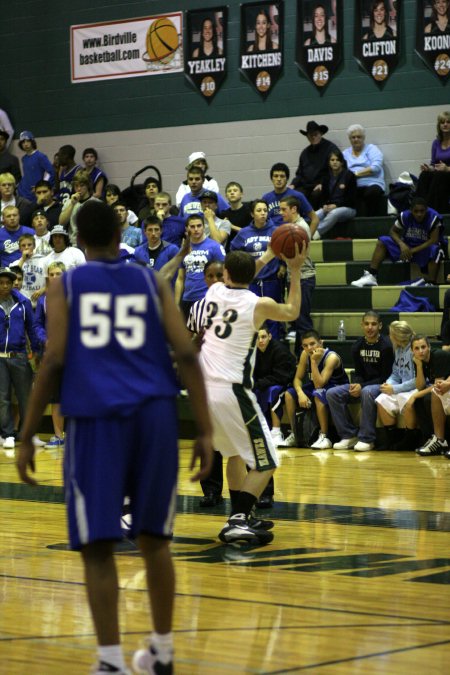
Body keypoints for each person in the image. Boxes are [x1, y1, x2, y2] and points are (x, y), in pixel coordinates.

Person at [16, 199, 213, 675]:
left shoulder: (66, 284)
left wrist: (26, 434)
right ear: (119, 234)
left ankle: (110, 662)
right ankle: (162, 652)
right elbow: (186, 353)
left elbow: (55, 358)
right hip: (155, 417)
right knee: (155, 541)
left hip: (97, 418)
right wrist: (205, 431)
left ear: (79, 240)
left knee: (98, 546)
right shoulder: (150, 280)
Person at [199, 243, 306, 544]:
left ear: (226, 273)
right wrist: (294, 270)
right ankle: (239, 520)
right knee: (268, 460)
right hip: (232, 391)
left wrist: (270, 252)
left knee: (233, 453)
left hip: (204, 389)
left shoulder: (214, 291)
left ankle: (241, 515)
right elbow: (293, 310)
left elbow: (243, 272)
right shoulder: (257, 304)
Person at [327, 310, 394, 452]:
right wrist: (355, 383)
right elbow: (358, 372)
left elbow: (385, 376)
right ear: (362, 325)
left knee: (367, 391)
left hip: (381, 384)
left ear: (380, 326)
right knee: (332, 393)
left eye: (374, 324)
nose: (370, 327)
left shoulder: (386, 346)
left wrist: (361, 386)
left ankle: (367, 439)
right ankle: (349, 435)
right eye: (367, 324)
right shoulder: (357, 345)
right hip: (363, 384)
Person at [351, 198, 445, 287]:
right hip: (408, 246)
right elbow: (393, 231)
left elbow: (433, 240)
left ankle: (431, 283)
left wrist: (411, 251)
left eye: (422, 211)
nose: (419, 214)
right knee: (383, 241)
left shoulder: (433, 217)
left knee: (435, 249)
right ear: (411, 210)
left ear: (426, 210)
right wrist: (402, 244)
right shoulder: (405, 216)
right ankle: (372, 275)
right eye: (416, 211)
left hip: (424, 249)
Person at [281, 330, 349, 449]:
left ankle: (324, 436)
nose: (309, 348)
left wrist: (313, 361)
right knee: (289, 394)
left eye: (312, 344)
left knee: (318, 394)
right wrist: (300, 392)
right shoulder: (304, 354)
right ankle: (295, 433)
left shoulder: (331, 357)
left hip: (336, 386)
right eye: (305, 345)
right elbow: (297, 378)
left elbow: (319, 384)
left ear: (321, 343)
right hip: (318, 385)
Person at [230, 199, 283, 339]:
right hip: (250, 283)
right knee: (252, 317)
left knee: (273, 317)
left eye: (265, 210)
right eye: (259, 211)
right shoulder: (244, 233)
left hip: (271, 281)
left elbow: (284, 252)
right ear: (252, 214)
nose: (263, 213)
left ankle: (274, 346)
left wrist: (282, 266)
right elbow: (234, 252)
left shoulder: (276, 231)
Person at [0, 267, 39, 455]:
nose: (5, 286)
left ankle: (28, 433)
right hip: (0, 358)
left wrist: (37, 352)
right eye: (1, 283)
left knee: (25, 397)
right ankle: (7, 434)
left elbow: (32, 329)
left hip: (20, 356)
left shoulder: (23, 303)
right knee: (3, 398)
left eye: (8, 282)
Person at [33, 261, 67, 450]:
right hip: (52, 353)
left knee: (75, 394)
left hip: (73, 353)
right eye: (52, 274)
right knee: (55, 397)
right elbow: (37, 325)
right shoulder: (43, 300)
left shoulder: (74, 297)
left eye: (58, 274)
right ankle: (57, 435)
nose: (55, 277)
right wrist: (45, 340)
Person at [279, 196, 317, 351]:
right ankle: (301, 357)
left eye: (284, 209)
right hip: (294, 277)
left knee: (303, 321)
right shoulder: (291, 226)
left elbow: (295, 256)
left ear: (293, 209)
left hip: (303, 278)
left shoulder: (299, 228)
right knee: (297, 318)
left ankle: (309, 357)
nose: (281, 213)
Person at [375, 320, 417, 450]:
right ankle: (392, 438)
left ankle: (410, 439)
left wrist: (394, 388)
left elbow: (418, 380)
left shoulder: (414, 349)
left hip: (415, 388)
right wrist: (388, 384)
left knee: (406, 400)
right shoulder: (398, 350)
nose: (389, 337)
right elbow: (396, 373)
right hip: (402, 387)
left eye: (391, 334)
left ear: (398, 336)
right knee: (381, 399)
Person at [175, 214, 226, 319]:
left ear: (204, 227)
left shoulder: (215, 247)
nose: (196, 229)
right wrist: (176, 303)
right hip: (187, 299)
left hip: (208, 298)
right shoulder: (183, 249)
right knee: (187, 334)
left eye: (199, 226)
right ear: (186, 228)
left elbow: (225, 275)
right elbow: (180, 278)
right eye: (192, 227)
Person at [253, 324, 297, 447]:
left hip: (285, 383)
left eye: (263, 337)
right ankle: (260, 430)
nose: (261, 341)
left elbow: (282, 376)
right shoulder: (253, 352)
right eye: (257, 338)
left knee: (273, 392)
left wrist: (259, 383)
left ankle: (277, 432)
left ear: (270, 336)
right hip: (267, 382)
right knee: (251, 392)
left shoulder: (280, 350)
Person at [291, 122, 340, 208]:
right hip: (306, 186)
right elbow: (299, 174)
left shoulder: (331, 149)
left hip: (324, 185)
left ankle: (314, 219)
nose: (313, 137)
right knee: (295, 196)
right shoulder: (305, 153)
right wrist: (293, 184)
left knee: (316, 194)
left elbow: (337, 170)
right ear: (307, 137)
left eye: (315, 134)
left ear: (321, 134)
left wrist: (323, 183)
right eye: (310, 135)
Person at [313, 150, 357, 240]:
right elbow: (324, 197)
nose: (335, 162)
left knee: (334, 213)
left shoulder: (349, 176)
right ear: (329, 162)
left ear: (341, 162)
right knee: (314, 215)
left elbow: (351, 199)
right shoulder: (326, 177)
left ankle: (314, 234)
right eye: (332, 160)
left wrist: (336, 206)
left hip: (348, 208)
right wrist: (324, 205)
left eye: (337, 160)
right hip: (330, 207)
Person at [343, 124, 385, 217]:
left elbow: (375, 167)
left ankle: (369, 223)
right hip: (354, 185)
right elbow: (342, 172)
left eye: (359, 137)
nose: (356, 139)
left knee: (371, 193)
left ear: (364, 138)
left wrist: (355, 174)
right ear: (349, 139)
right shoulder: (345, 153)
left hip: (373, 184)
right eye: (353, 137)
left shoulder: (372, 149)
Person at [262, 162, 319, 231]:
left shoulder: (298, 196)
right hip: (272, 235)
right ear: (272, 179)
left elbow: (315, 219)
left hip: (291, 234)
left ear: (287, 179)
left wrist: (308, 238)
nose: (279, 179)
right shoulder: (266, 198)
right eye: (276, 176)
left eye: (282, 176)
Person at [416, 111, 450, 214]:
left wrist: (447, 168)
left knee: (439, 175)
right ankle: (418, 207)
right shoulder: (436, 143)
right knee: (424, 175)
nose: (445, 124)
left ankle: (429, 209)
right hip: (438, 174)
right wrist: (429, 168)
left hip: (447, 174)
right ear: (439, 125)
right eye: (442, 122)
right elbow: (433, 164)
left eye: (448, 122)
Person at [59, 169, 102, 244]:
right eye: (76, 186)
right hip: (73, 243)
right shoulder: (69, 203)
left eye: (82, 185)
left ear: (88, 185)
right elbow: (61, 222)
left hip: (93, 243)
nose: (79, 189)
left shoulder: (98, 203)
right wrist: (72, 204)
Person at [134, 216, 180, 283]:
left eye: (156, 229)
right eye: (150, 230)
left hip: (166, 291)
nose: (153, 233)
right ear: (145, 232)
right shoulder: (138, 251)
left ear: (161, 231)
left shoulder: (172, 249)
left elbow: (177, 276)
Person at [17, 131, 54, 203]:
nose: (25, 144)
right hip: (24, 192)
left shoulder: (40, 156)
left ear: (32, 142)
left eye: (28, 141)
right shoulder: (24, 158)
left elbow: (51, 172)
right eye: (23, 142)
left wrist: (41, 186)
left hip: (36, 193)